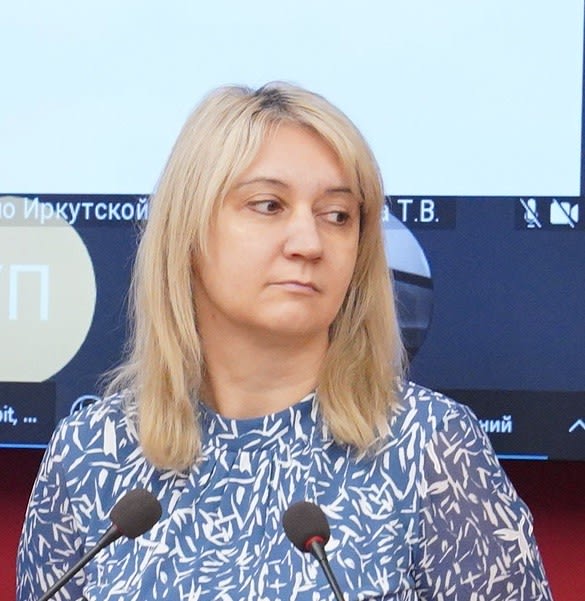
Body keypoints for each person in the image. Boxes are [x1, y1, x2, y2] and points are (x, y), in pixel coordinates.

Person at [17, 82, 552, 601]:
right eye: (269, 205)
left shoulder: (432, 447)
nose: (309, 243)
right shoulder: (89, 451)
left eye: (337, 216)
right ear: (188, 232)